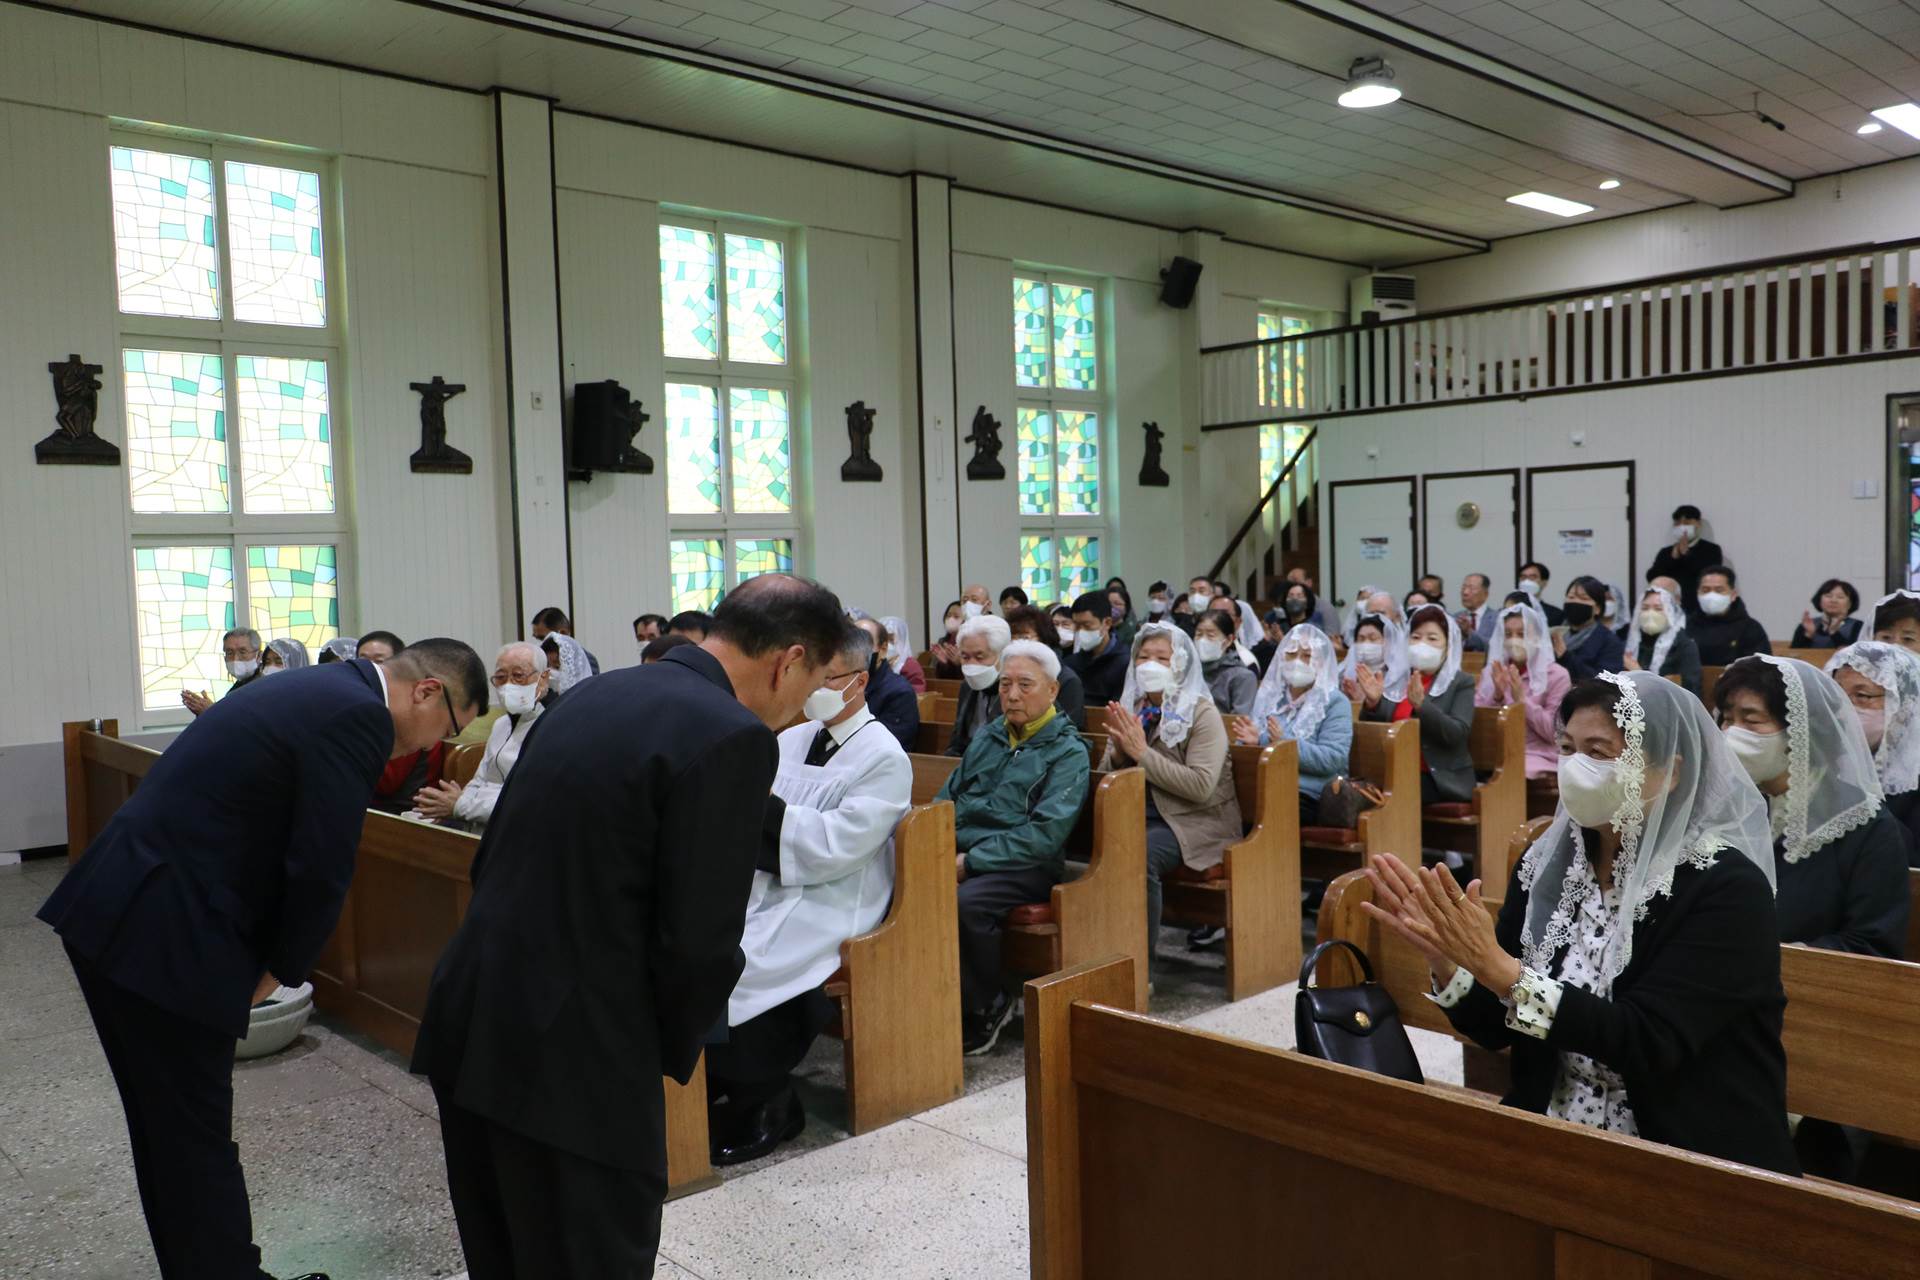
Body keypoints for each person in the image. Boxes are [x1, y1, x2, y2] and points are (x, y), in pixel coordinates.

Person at [413, 574, 845, 1279]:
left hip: (473, 1011)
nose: (802, 709)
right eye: (815, 683)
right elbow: (699, 937)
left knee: (504, 1253)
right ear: (789, 660)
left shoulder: (593, 693)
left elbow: (493, 857)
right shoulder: (731, 734)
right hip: (577, 1051)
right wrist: (667, 1051)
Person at [40, 638, 486, 1279]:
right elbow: (323, 864)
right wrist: (279, 972)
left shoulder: (326, 688)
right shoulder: (360, 713)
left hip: (128, 906)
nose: (431, 747)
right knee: (191, 1134)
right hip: (165, 929)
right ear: (426, 691)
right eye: (446, 728)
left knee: (169, 1128)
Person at [1362, 672, 1798, 1174]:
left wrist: (1501, 970)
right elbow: (1496, 1027)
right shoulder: (1550, 865)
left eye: (1599, 751)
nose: (1575, 767)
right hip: (1552, 1130)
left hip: (1681, 1151)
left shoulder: (1725, 886)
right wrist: (1448, 959)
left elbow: (1647, 1040)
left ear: (1670, 772)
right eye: (1567, 748)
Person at [708, 623, 910, 1165]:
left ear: (859, 681)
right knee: (705, 942)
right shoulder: (792, 738)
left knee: (744, 965)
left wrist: (756, 806)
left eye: (827, 678)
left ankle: (767, 1099)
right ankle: (721, 1079)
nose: (813, 688)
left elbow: (839, 845)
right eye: (810, 676)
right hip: (774, 880)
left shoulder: (883, 755)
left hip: (838, 898)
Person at [938, 639, 1090, 1054]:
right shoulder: (989, 737)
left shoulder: (1068, 752)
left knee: (966, 903)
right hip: (968, 852)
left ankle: (989, 1001)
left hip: (1026, 863)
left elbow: (1045, 835)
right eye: (1005, 685)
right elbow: (947, 798)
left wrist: (972, 862)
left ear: (1053, 690)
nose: (1012, 695)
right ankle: (931, 996)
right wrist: (930, 845)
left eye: (1025, 685)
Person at [1715, 656, 1909, 958]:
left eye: (1751, 721)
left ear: (1800, 732)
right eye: (1728, 719)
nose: (1732, 734)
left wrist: (1788, 959)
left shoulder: (1865, 826)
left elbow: (1873, 941)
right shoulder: (1730, 806)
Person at [1100, 623, 1241, 982]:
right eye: (1143, 657)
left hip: (1196, 821)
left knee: (1138, 855)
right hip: (1143, 814)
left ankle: (1139, 969)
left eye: (1162, 658)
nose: (1150, 664)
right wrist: (1118, 755)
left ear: (1179, 664)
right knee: (1091, 845)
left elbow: (1201, 787)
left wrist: (1141, 753)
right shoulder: (1133, 709)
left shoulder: (1201, 713)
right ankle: (1100, 956)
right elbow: (1104, 777)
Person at [413, 642, 549, 831]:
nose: (509, 684)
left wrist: (460, 806)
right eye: (501, 677)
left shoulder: (550, 730)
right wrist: (454, 802)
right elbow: (480, 780)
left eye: (518, 675)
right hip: (480, 825)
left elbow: (527, 801)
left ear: (543, 679)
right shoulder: (501, 725)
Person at [1236, 623, 1352, 825]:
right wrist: (1251, 742)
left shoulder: (1334, 702)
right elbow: (1256, 741)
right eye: (1291, 654)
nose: (1297, 661)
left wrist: (1284, 744)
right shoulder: (1272, 697)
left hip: (1309, 794)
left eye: (1307, 656)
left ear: (1322, 663)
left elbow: (1334, 758)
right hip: (1265, 783)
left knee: (1264, 810)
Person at [1364, 604, 1475, 805]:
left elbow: (1457, 734)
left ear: (1448, 646)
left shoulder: (1460, 682)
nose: (1422, 644)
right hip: (1392, 771)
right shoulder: (1396, 680)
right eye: (1415, 637)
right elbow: (1376, 732)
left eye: (1432, 639)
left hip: (1437, 777)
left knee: (1394, 794)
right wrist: (1373, 704)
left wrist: (1422, 706)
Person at [1827, 641, 1920, 854]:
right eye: (1836, 694)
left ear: (1902, 706)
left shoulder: (1913, 774)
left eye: (1862, 696)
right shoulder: (1823, 758)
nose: (1842, 709)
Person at [1476, 603, 1571, 779]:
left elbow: (1553, 733)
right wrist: (1497, 695)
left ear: (1538, 638)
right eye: (1508, 635)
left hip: (1538, 755)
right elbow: (1478, 723)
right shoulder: (1493, 671)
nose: (1514, 640)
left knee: (1513, 771)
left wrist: (1522, 701)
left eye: (1522, 634)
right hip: (1495, 750)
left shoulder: (1557, 675)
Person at [1006, 605, 1085, 728]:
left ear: (1044, 639)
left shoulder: (1067, 680)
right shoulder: (1008, 675)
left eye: (1024, 637)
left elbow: (1069, 729)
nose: (1016, 644)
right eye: (1012, 639)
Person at [947, 614, 1011, 758]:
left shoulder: (1017, 693)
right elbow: (957, 740)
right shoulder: (967, 687)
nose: (972, 664)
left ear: (1002, 655)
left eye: (980, 657)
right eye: (965, 657)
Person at [851, 616, 920, 750]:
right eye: (851, 643)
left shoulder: (900, 692)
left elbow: (890, 744)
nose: (856, 650)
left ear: (882, 650)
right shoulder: (840, 682)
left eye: (864, 644)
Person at [1621, 586, 1700, 695]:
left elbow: (1690, 689)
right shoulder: (1629, 644)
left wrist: (1638, 673)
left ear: (1670, 613)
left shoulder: (1683, 645)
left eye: (1658, 609)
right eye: (1645, 608)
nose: (1650, 613)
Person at [1645, 504, 1724, 610]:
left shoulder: (1711, 549)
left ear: (1698, 524)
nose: (1682, 527)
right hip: (1670, 608)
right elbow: (1652, 577)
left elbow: (1709, 576)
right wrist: (1672, 558)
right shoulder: (1666, 552)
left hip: (1700, 608)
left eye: (1687, 523)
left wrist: (1686, 554)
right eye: (1677, 523)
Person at [1688, 566, 1770, 665]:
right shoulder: (1686, 626)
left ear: (1733, 594)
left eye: (1719, 590)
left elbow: (1761, 667)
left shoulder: (1750, 628)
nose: (1711, 595)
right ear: (1698, 593)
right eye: (1705, 590)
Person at [1553, 575, 1625, 680]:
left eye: (1584, 598)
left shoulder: (1609, 641)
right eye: (1571, 597)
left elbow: (1606, 682)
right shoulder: (1555, 632)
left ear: (1598, 609)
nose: (1576, 602)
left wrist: (1566, 656)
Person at [182, 626, 265, 716]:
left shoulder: (263, 687)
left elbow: (251, 722)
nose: (235, 658)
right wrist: (211, 710)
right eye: (230, 652)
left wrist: (212, 712)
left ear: (259, 656)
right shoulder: (240, 685)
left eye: (242, 652)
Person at [1066, 589, 1129, 705]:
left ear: (1107, 623)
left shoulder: (1125, 663)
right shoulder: (1071, 662)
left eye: (1087, 625)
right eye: (1077, 626)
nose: (1081, 631)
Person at [1339, 613, 1409, 718]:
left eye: (1373, 638)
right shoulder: (1345, 676)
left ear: (1388, 642)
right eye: (1361, 639)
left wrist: (1367, 701)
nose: (1366, 643)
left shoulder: (1399, 677)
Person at [1192, 607, 1256, 717]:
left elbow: (1238, 721)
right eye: (1199, 634)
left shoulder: (1242, 676)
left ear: (1228, 640)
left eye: (1210, 635)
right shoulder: (1189, 670)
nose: (1202, 640)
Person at [1790, 579, 1862, 649]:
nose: (1833, 600)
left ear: (1850, 604)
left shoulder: (1858, 626)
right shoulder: (1807, 625)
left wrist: (1834, 632)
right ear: (1819, 600)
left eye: (1840, 597)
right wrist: (1808, 634)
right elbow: (1794, 654)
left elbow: (1854, 653)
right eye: (1828, 596)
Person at [532, 606, 599, 677]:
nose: (539, 644)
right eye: (536, 638)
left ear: (562, 633)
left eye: (542, 638)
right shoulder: (536, 659)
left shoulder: (586, 660)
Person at [539, 630, 594, 697]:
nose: (551, 670)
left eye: (557, 665)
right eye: (548, 665)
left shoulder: (587, 689)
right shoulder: (544, 693)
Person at [879, 615, 927, 692]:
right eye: (882, 640)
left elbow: (915, 694)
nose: (886, 645)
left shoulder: (910, 665)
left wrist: (888, 672)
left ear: (902, 640)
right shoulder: (875, 662)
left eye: (891, 640)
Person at [1455, 573, 1496, 653]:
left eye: (1472, 588)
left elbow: (1495, 647)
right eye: (1463, 587)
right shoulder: (1455, 618)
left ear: (1485, 594)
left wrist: (1469, 633)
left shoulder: (1497, 618)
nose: (1465, 592)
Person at [1517, 561, 1564, 626]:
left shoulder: (1556, 614)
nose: (1527, 581)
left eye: (1532, 577)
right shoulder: (1509, 609)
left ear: (1544, 583)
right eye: (1523, 577)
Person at [928, 600, 966, 678]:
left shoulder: (971, 644)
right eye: (948, 616)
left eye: (956, 616)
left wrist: (959, 663)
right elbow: (933, 675)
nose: (951, 619)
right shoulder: (942, 642)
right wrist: (943, 664)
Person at [1251, 607, 1287, 675]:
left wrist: (1282, 640)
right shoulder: (1259, 642)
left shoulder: (1283, 637)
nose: (1278, 627)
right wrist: (1265, 639)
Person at [1107, 583, 1138, 650]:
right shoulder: (1103, 627)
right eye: (1108, 603)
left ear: (1126, 607)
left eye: (1117, 603)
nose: (1112, 607)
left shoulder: (1130, 631)